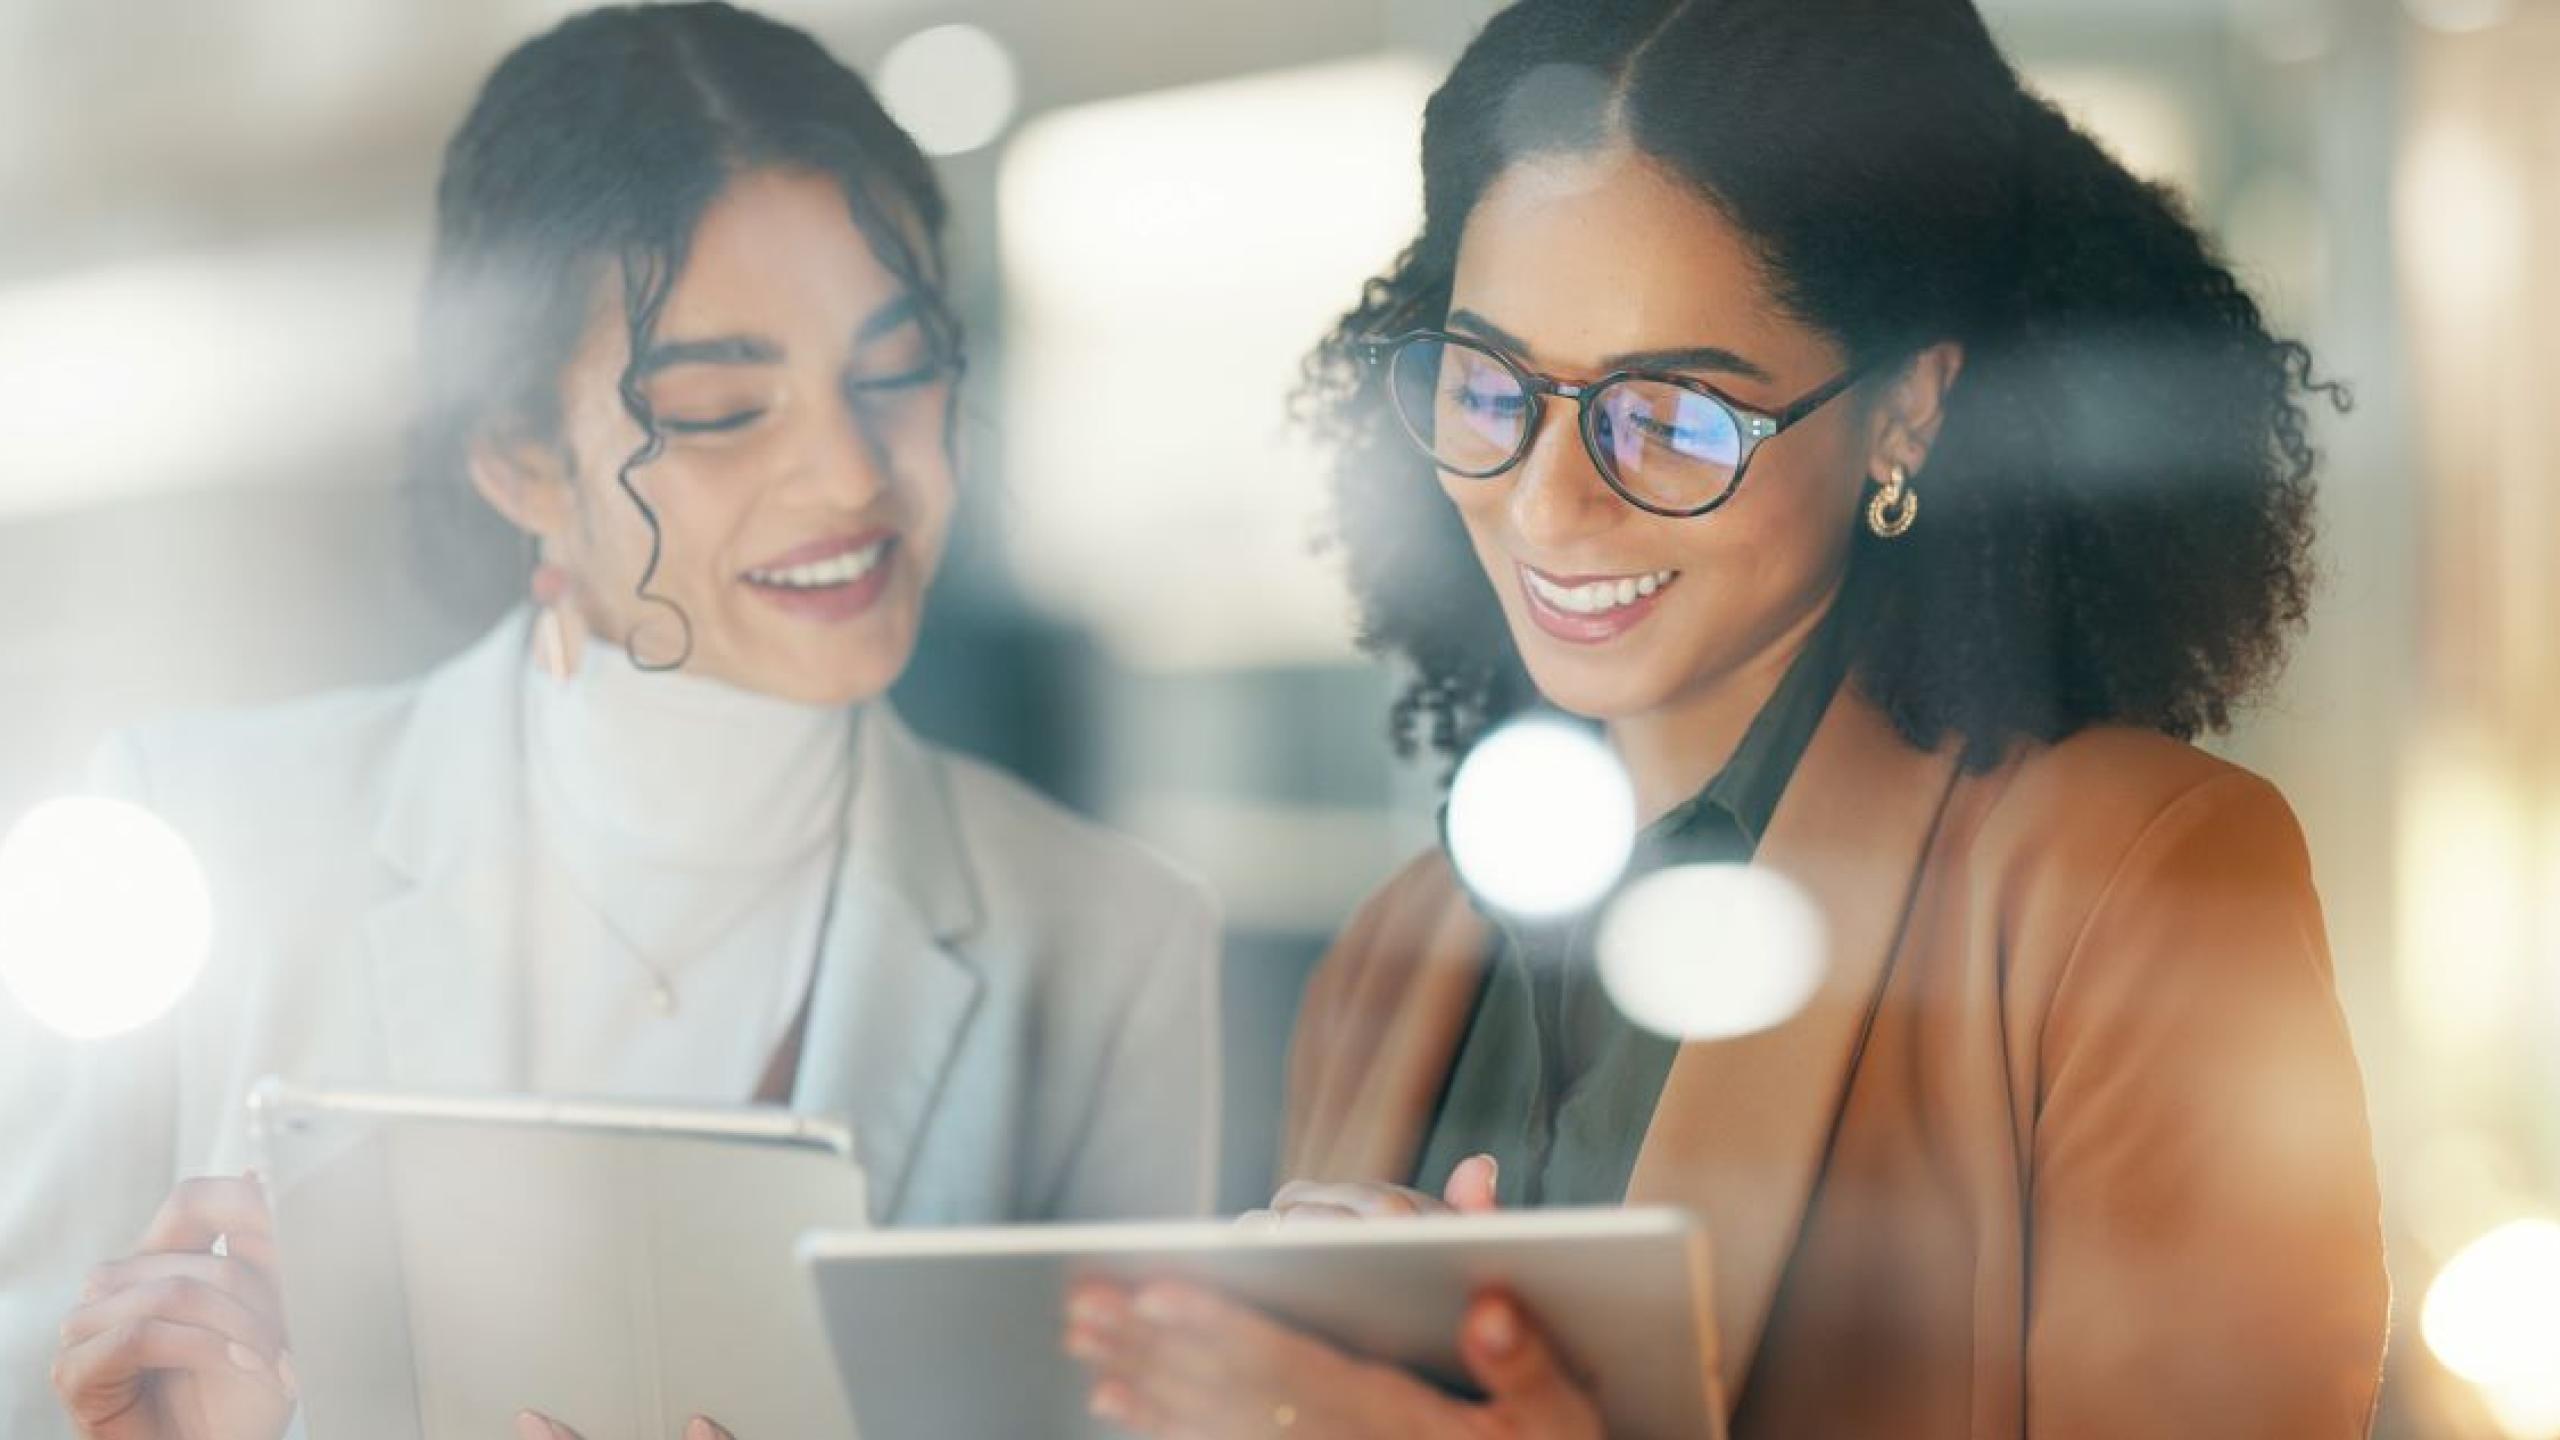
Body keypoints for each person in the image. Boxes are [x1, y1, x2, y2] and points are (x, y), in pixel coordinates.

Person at [1063, 0, 2386, 1434]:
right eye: (1490, 383)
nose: (1546, 500)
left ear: (1906, 415)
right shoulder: (1394, 956)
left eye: (1676, 414)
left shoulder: (2130, 885)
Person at [4, 7, 1219, 1439]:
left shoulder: (1109, 941)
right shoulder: (200, 838)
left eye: (896, 373)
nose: (848, 473)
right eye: (717, 409)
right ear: (520, 458)